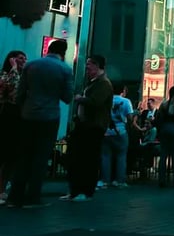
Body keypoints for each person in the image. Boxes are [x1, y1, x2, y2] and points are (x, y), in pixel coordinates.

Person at [6, 41, 72, 208]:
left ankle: (15, 196)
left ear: (48, 49)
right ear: (63, 53)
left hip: (28, 114)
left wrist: (24, 107)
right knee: (40, 157)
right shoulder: (65, 69)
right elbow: (67, 97)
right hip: (49, 116)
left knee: (24, 155)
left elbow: (20, 92)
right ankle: (33, 196)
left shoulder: (32, 65)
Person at [62, 55, 113, 202]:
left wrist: (80, 99)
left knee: (88, 158)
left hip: (93, 126)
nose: (87, 68)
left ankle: (85, 190)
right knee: (78, 157)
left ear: (98, 66)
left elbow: (96, 102)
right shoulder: (93, 83)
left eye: (90, 65)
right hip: (85, 124)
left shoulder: (103, 84)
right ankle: (76, 190)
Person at [0, 50, 27, 204]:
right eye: (20, 58)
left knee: (11, 155)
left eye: (25, 58)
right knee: (4, 153)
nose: (23, 60)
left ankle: (3, 186)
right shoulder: (6, 74)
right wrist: (14, 68)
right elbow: (13, 90)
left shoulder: (25, 76)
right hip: (6, 116)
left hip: (18, 117)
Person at [98, 82, 134, 189]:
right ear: (122, 91)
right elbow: (130, 117)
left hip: (106, 132)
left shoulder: (106, 100)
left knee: (105, 156)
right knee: (121, 156)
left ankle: (105, 181)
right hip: (121, 131)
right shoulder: (126, 101)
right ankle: (120, 181)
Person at [156, 87, 174, 188]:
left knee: (163, 155)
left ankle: (161, 180)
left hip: (164, 129)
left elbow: (159, 118)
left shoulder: (164, 104)